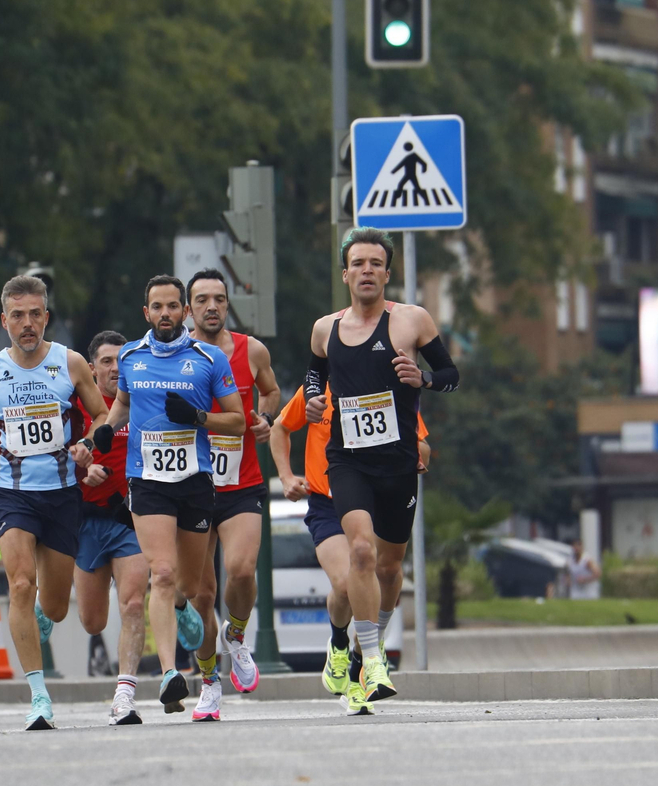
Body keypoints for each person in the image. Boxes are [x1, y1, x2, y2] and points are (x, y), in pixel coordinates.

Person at [304, 227, 459, 704]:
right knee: (362, 553)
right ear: (345, 273)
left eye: (376, 263)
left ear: (387, 273)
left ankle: (352, 652)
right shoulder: (325, 328)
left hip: (399, 464)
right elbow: (315, 372)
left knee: (390, 570)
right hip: (347, 463)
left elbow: (451, 375)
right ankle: (371, 661)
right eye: (358, 263)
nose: (366, 270)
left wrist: (425, 379)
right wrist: (313, 397)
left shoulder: (412, 321)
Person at [0, 275, 109, 730]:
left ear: (47, 317)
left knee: (57, 606)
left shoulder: (72, 363)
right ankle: (39, 695)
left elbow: (103, 414)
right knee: (20, 584)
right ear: (3, 320)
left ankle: (45, 614)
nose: (27, 324)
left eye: (35, 315)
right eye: (18, 315)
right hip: (11, 493)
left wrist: (87, 442)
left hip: (63, 494)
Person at [102, 274, 244, 716]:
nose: (165, 314)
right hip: (147, 480)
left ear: (184, 311)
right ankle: (169, 674)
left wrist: (199, 417)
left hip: (195, 482)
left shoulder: (209, 358)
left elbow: (238, 421)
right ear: (146, 313)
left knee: (195, 589)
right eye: (156, 307)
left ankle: (209, 674)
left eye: (172, 306)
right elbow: (122, 404)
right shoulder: (130, 356)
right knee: (160, 574)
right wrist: (104, 431)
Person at [270, 376, 429, 715]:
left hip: (377, 497)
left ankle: (363, 660)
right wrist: (286, 476)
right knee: (344, 584)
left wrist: (417, 457)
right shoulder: (316, 391)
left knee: (387, 572)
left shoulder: (389, 389)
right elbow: (280, 428)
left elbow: (421, 441)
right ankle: (340, 643)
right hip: (327, 502)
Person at [184, 269, 281, 721]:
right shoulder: (175, 357)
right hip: (191, 487)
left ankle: (237, 636)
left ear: (228, 304)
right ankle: (208, 682)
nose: (211, 307)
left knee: (241, 571)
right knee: (201, 594)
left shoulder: (250, 350)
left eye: (219, 299)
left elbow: (272, 390)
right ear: (188, 310)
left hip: (240, 482)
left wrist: (264, 418)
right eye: (202, 299)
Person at [72, 330, 150, 726]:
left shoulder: (142, 400)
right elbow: (55, 459)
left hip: (130, 518)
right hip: (87, 522)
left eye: (122, 360)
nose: (116, 368)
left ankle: (125, 695)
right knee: (93, 621)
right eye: (107, 361)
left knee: (134, 603)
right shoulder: (76, 407)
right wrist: (82, 471)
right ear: (91, 369)